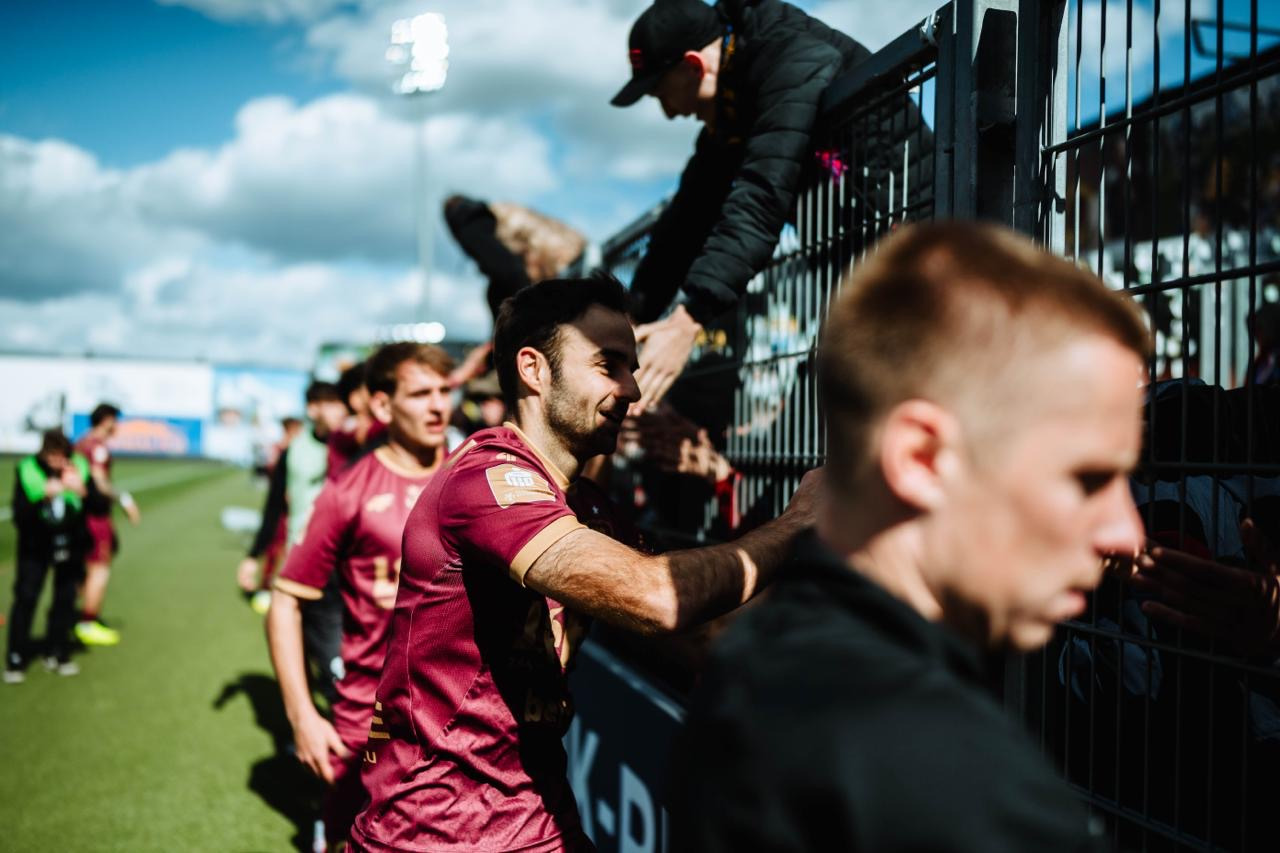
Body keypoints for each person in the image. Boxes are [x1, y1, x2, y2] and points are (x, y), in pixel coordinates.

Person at [669, 222, 1150, 851]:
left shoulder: (756, 665)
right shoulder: (969, 796)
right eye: (1088, 478)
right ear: (922, 459)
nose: (1126, 532)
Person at [350, 274, 817, 852]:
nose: (633, 389)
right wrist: (797, 522)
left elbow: (708, 632)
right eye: (608, 365)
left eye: (632, 368)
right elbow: (658, 597)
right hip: (435, 834)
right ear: (533, 369)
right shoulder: (487, 479)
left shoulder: (587, 506)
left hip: (536, 821)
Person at [610, 0, 873, 409]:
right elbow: (686, 220)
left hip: (907, 231)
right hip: (856, 255)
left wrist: (689, 319)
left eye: (661, 93)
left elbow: (761, 193)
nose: (669, 113)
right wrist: (630, 317)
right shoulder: (736, 103)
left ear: (694, 66)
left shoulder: (785, 60)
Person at [267, 342, 455, 846]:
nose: (438, 406)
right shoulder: (346, 492)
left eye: (444, 391)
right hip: (370, 716)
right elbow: (284, 602)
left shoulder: (473, 476)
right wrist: (301, 715)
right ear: (382, 406)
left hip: (461, 714)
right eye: (420, 394)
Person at [6, 430, 96, 682]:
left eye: (61, 457)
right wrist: (45, 495)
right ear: (44, 454)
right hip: (35, 547)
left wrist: (82, 491)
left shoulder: (79, 467)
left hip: (71, 545)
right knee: (26, 598)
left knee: (65, 600)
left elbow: (98, 506)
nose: (57, 463)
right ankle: (16, 657)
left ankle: (57, 652)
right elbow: (19, 515)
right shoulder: (28, 469)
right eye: (52, 457)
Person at [72, 403, 141, 646]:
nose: (117, 425)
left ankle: (71, 615)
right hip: (96, 516)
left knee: (81, 568)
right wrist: (124, 499)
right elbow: (100, 482)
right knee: (99, 568)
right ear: (106, 420)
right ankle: (87, 622)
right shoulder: (97, 447)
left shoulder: (82, 442)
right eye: (115, 420)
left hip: (79, 514)